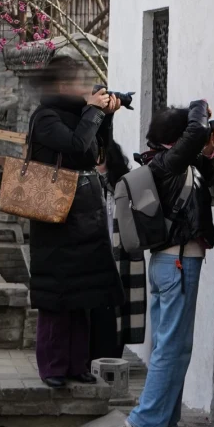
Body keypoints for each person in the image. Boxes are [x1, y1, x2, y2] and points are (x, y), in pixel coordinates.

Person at [124, 100, 214, 427]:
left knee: (177, 346)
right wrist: (200, 108)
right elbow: (195, 130)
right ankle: (145, 419)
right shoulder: (166, 163)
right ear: (177, 138)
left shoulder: (173, 164)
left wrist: (207, 154)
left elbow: (203, 186)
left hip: (174, 264)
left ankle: (166, 419)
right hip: (176, 264)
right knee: (170, 346)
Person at [27, 87, 125, 388]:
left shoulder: (82, 115)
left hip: (84, 214)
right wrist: (93, 111)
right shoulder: (46, 117)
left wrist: (105, 117)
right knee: (56, 294)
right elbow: (75, 145)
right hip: (54, 215)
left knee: (84, 293)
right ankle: (53, 367)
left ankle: (77, 364)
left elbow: (95, 153)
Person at [91, 135, 146, 360]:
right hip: (95, 256)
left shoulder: (124, 186)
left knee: (120, 310)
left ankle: (113, 356)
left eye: (99, 158)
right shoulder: (88, 184)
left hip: (121, 256)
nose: (96, 164)